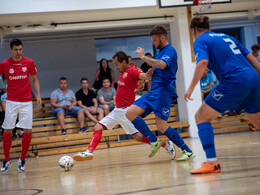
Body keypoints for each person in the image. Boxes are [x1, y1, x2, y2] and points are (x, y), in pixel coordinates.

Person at [184, 16, 260, 174]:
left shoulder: (200, 40)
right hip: (253, 79)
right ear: (208, 27)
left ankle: (212, 163)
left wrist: (191, 88)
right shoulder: (227, 37)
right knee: (258, 122)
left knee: (201, 117)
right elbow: (251, 59)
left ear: (193, 30)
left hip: (234, 81)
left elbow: (202, 62)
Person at [73, 51, 176, 161]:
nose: (115, 67)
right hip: (117, 110)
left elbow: (143, 75)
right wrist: (140, 82)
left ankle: (166, 145)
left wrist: (147, 76)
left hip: (126, 111)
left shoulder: (132, 71)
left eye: (116, 64)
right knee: (97, 127)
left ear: (123, 62)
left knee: (137, 137)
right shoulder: (124, 70)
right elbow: (138, 78)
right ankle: (89, 152)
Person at [126, 25, 194, 160]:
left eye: (154, 39)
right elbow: (156, 70)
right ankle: (154, 140)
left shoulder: (170, 50)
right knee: (130, 112)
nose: (153, 42)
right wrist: (146, 78)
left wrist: (143, 57)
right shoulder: (159, 52)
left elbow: (162, 64)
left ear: (162, 37)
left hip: (164, 92)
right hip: (153, 92)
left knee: (161, 126)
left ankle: (187, 151)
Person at [0, 38, 42, 172]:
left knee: (28, 130)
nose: (18, 52)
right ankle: (6, 160)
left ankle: (22, 158)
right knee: (7, 130)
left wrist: (38, 95)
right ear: (11, 50)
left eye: (20, 49)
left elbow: (35, 79)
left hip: (26, 101)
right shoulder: (4, 64)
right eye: (16, 50)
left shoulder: (29, 62)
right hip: (11, 101)